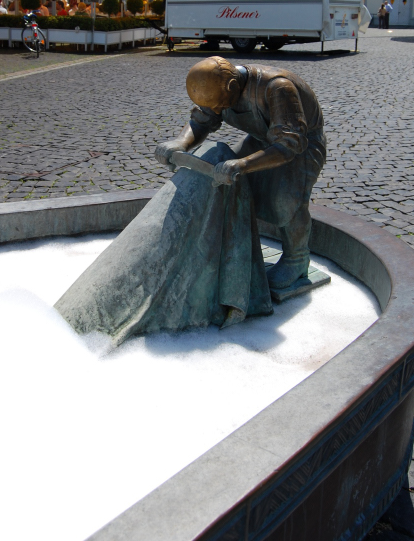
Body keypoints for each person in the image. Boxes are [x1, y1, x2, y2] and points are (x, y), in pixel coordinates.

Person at [55, 57, 326, 345]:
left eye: (223, 104)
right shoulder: (221, 88)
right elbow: (202, 120)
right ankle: (242, 249)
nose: (219, 110)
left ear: (234, 84)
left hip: (300, 145)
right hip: (262, 140)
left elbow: (288, 144)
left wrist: (244, 163)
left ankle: (298, 259)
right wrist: (181, 144)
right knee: (235, 187)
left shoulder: (277, 88)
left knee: (285, 203)